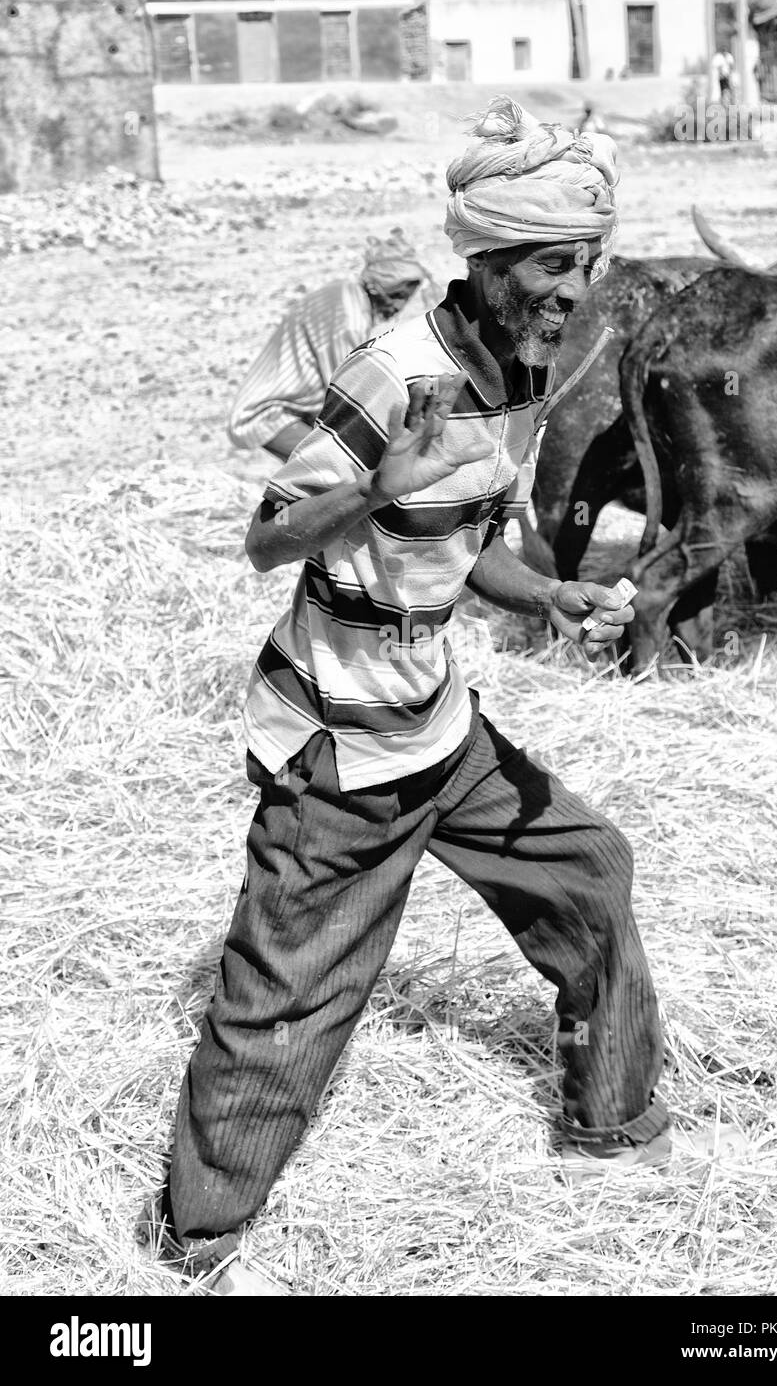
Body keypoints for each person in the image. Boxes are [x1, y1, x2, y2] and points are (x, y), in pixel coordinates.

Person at [140, 97, 744, 1296]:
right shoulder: (392, 375)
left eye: (589, 263)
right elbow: (269, 538)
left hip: (436, 720)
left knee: (587, 868)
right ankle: (194, 1241)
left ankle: (609, 1125)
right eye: (551, 266)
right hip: (340, 745)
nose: (576, 290)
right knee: (286, 1001)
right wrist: (373, 488)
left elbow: (463, 545)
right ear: (484, 257)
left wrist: (548, 599)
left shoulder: (519, 366)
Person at [227, 227, 440, 460]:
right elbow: (350, 392)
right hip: (269, 415)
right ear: (377, 286)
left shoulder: (342, 291)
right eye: (396, 295)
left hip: (295, 409)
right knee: (345, 468)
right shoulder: (349, 321)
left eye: (405, 299)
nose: (399, 307)